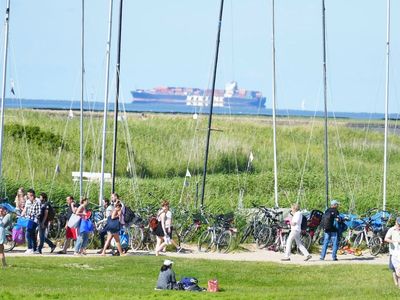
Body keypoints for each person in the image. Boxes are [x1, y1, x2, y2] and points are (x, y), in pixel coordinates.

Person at [384, 217, 400, 287]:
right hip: (393, 252)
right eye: (398, 224)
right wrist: (394, 242)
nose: (399, 226)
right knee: (394, 269)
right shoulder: (391, 230)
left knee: (399, 269)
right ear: (396, 222)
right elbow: (386, 239)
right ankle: (396, 283)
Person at [25, 189, 41, 254]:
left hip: (34, 221)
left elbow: (39, 212)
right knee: (32, 234)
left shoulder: (37, 202)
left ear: (32, 195)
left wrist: (33, 216)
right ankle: (34, 249)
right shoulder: (30, 202)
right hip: (29, 220)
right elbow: (28, 210)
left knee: (28, 234)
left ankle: (30, 248)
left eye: (28, 195)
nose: (28, 196)